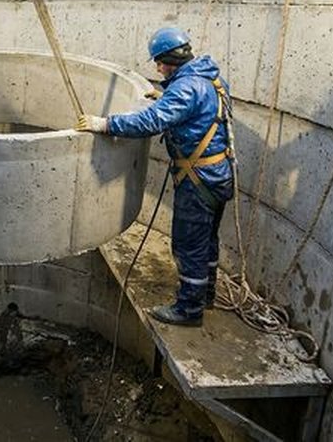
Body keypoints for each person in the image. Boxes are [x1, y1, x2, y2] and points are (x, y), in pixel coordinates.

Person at [77, 28, 234, 327]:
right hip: (219, 175)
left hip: (198, 179)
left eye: (160, 63)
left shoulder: (186, 89)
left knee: (189, 244)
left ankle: (189, 309)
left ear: (172, 59)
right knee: (206, 240)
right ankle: (206, 295)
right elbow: (198, 109)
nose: (158, 68)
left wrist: (105, 124)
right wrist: (165, 96)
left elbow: (152, 120)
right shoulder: (211, 78)